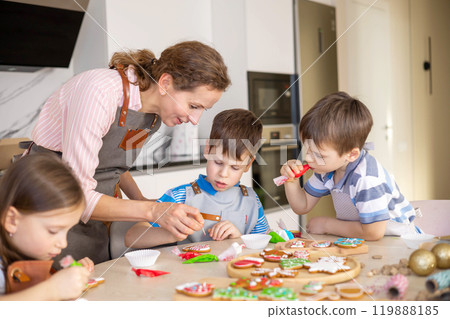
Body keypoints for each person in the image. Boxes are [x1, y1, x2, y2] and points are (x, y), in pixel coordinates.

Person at [27, 41, 231, 264]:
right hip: (50, 205)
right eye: (193, 106)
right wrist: (153, 211)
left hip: (98, 214)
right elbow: (77, 196)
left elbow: (113, 166)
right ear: (165, 83)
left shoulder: (153, 113)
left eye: (203, 109)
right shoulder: (100, 93)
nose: (195, 120)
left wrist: (142, 200)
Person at [280, 92, 421, 240]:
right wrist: (291, 181)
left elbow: (373, 232)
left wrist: (327, 225)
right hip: (366, 240)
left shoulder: (366, 178)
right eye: (306, 148)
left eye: (318, 155)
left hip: (399, 241)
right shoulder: (325, 170)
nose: (307, 158)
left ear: (351, 154)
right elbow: (302, 206)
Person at [125, 109, 269, 248]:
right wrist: (173, 234)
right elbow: (132, 237)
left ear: (248, 164)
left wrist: (239, 239)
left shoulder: (251, 200)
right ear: (207, 149)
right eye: (218, 162)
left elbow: (265, 244)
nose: (223, 174)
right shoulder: (180, 197)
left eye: (235, 167)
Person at [0, 154, 93, 300]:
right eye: (53, 231)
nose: (64, 243)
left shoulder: (29, 252)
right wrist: (53, 290)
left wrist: (69, 273)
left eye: (68, 231)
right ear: (12, 220)